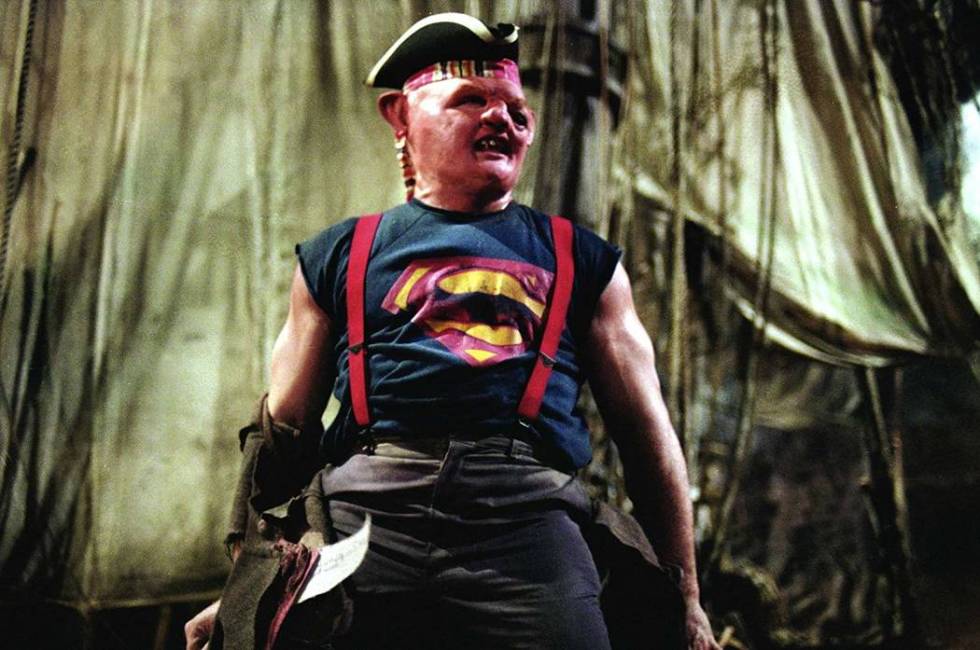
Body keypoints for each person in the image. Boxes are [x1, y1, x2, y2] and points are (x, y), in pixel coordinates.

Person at [186, 12, 720, 650]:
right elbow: (283, 432)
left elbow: (646, 435)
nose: (503, 119)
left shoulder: (585, 262)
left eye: (518, 111)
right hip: (366, 512)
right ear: (400, 117)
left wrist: (688, 600)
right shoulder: (338, 256)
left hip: (525, 517)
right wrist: (248, 587)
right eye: (471, 100)